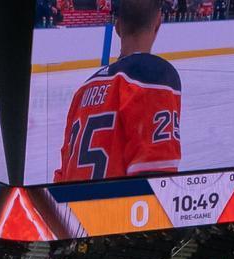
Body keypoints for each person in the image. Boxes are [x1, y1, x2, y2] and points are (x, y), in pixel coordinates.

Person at [52, 0, 180, 182]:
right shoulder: (155, 76)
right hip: (115, 209)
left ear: (117, 27)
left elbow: (62, 175)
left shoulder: (83, 90)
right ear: (158, 23)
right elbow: (156, 177)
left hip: (72, 208)